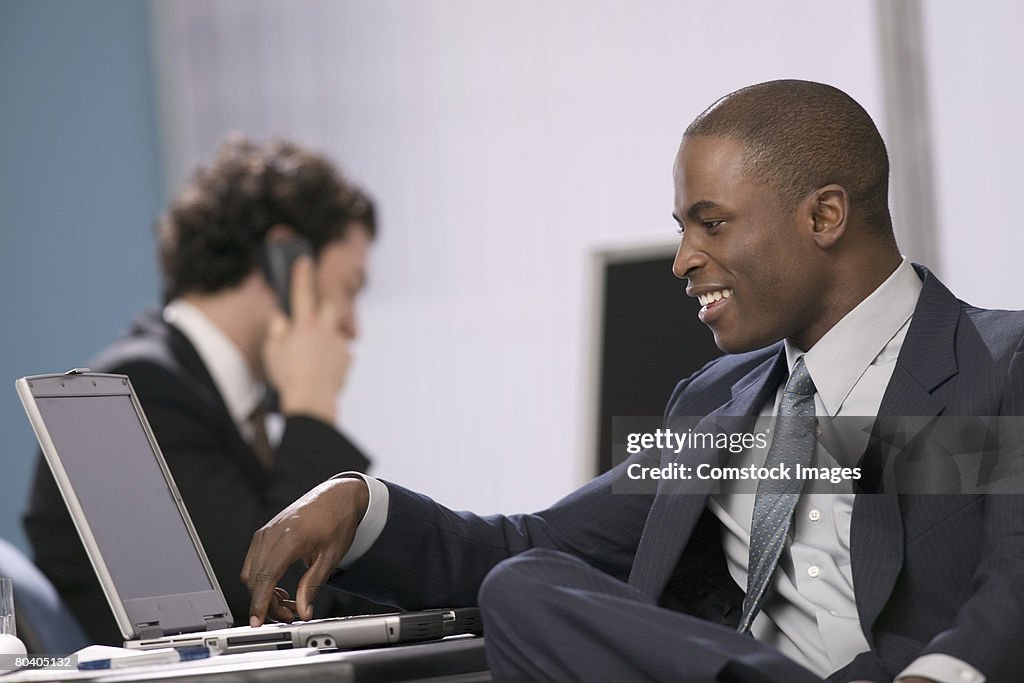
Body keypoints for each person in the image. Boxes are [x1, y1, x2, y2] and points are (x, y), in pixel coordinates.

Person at [241, 81, 1024, 683]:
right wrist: (359, 502)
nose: (683, 258)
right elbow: (536, 542)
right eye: (681, 227)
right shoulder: (716, 403)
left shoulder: (998, 363)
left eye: (710, 223)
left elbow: (1014, 580)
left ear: (823, 217)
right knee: (528, 585)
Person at [23, 135, 382, 645]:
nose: (352, 326)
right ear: (286, 260)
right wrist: (311, 411)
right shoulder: (143, 392)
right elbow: (268, 594)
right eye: (348, 289)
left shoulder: (203, 396)